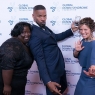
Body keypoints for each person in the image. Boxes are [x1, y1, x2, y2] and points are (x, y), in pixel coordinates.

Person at [29, 5, 78, 95]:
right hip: (51, 73)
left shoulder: (44, 28)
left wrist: (71, 30)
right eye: (40, 16)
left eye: (45, 16)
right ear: (33, 16)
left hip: (59, 68)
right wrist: (47, 81)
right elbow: (39, 59)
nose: (43, 19)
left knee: (62, 92)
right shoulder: (34, 33)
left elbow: (55, 37)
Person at [0, 22, 34, 95]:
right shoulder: (11, 45)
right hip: (9, 85)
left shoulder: (23, 44)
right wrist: (7, 86)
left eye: (29, 32)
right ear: (17, 33)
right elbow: (7, 66)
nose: (27, 34)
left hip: (18, 84)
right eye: (23, 32)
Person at [73, 17, 95, 95]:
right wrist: (77, 50)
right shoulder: (82, 41)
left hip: (91, 79)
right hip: (83, 76)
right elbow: (75, 55)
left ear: (91, 29)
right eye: (81, 29)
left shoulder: (94, 43)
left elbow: (93, 63)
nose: (83, 32)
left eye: (85, 29)